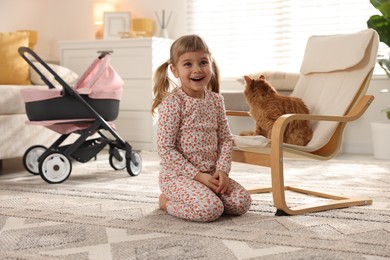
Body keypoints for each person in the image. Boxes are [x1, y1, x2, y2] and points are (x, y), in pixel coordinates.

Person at [151, 34, 252, 222]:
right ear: (174, 70)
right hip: (178, 177)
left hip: (211, 175)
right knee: (210, 210)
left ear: (211, 65)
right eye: (188, 64)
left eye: (203, 62)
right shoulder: (174, 103)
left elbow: (225, 139)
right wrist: (197, 176)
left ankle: (206, 194)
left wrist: (222, 171)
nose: (197, 69)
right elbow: (165, 148)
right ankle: (166, 203)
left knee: (242, 203)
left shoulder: (216, 100)